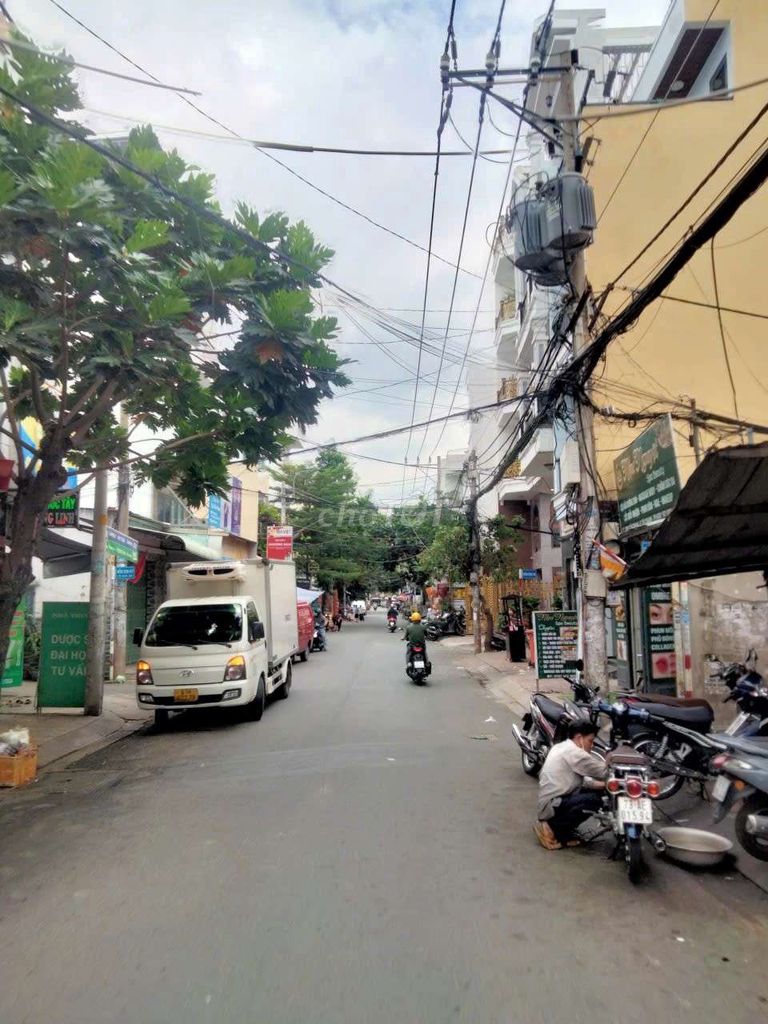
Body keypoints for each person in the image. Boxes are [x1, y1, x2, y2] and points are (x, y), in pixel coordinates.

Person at [534, 719, 607, 851]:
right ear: (579, 738)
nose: (591, 746)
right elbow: (604, 772)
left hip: (550, 803)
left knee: (595, 792)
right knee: (596, 800)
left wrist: (602, 785)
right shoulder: (575, 753)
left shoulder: (561, 746)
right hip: (552, 805)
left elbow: (582, 780)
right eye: (590, 741)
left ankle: (560, 830)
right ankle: (553, 828)